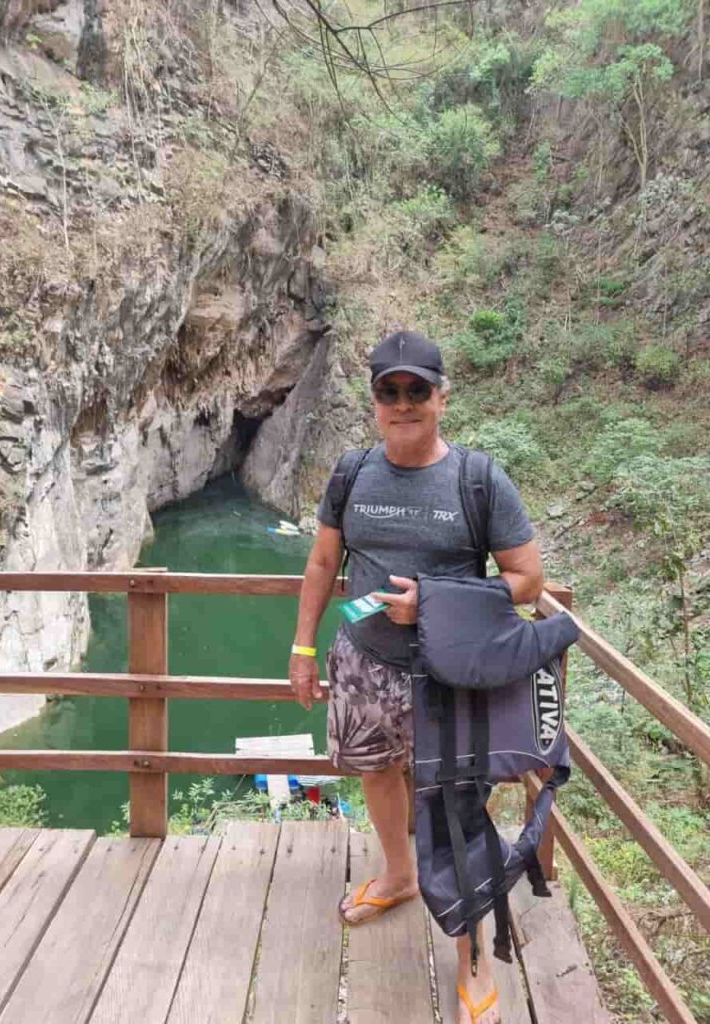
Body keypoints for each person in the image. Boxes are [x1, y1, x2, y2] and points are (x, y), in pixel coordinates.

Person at [289, 330, 544, 1024]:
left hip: (450, 675)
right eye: (388, 391)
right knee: (375, 774)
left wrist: (432, 604)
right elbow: (320, 565)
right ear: (373, 400)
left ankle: (472, 958)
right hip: (364, 663)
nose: (403, 403)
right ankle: (400, 876)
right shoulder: (351, 473)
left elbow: (526, 579)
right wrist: (304, 649)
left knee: (458, 811)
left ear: (441, 397)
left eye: (416, 391)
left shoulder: (477, 480)